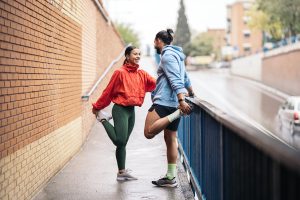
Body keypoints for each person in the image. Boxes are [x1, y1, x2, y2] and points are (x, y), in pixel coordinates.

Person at [92, 46, 156, 181]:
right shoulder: (119, 73)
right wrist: (97, 107)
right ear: (127, 56)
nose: (138, 56)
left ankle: (121, 172)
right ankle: (103, 118)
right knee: (120, 141)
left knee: (123, 143)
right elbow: (108, 91)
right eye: (135, 54)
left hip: (131, 112)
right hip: (120, 110)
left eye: (139, 54)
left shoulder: (142, 74)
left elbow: (157, 84)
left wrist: (176, 88)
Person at [144, 29, 195, 187]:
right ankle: (170, 177)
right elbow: (184, 76)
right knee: (170, 138)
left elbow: (174, 79)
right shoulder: (178, 56)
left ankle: (177, 114)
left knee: (149, 132)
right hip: (173, 103)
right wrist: (191, 93)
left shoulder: (166, 56)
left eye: (155, 41)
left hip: (165, 102)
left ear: (159, 40)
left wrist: (181, 101)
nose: (154, 44)